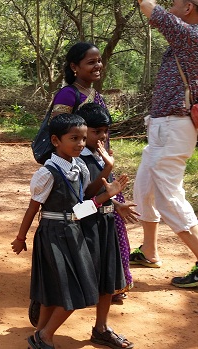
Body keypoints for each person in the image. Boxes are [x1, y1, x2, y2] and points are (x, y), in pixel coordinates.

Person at [11, 113, 127, 349]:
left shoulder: (80, 167)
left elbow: (84, 202)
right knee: (72, 291)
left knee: (58, 289)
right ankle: (43, 336)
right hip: (53, 234)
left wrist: (108, 192)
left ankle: (40, 335)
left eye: (83, 138)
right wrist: (20, 237)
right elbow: (33, 207)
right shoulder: (47, 172)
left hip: (74, 231)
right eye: (74, 138)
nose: (80, 143)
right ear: (55, 140)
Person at [55, 42, 137, 301]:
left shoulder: (96, 95)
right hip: (77, 172)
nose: (98, 65)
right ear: (74, 67)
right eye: (91, 62)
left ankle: (112, 282)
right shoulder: (68, 95)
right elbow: (56, 129)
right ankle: (83, 281)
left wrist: (107, 164)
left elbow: (103, 135)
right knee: (84, 223)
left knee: (112, 224)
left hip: (101, 166)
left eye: (99, 60)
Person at [130, 0, 198, 288]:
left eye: (174, 4)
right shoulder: (184, 39)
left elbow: (153, 11)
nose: (169, 8)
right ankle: (150, 251)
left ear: (188, 8)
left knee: (168, 197)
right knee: (144, 189)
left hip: (174, 126)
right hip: (163, 126)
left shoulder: (193, 36)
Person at [76, 103, 135, 349]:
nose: (102, 137)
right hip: (84, 225)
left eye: (105, 131)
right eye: (96, 131)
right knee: (76, 275)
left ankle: (101, 328)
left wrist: (117, 205)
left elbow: (105, 189)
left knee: (107, 278)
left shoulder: (101, 155)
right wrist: (107, 166)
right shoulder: (77, 159)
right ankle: (45, 308)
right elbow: (84, 199)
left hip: (105, 222)